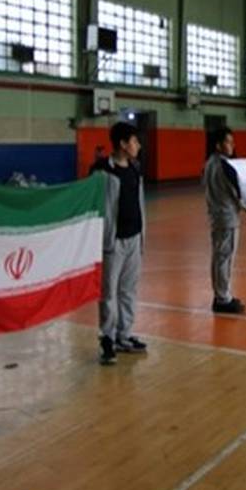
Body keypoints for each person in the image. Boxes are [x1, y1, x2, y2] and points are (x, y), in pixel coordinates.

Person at [92, 121, 147, 366]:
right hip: (112, 242)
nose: (138, 145)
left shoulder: (135, 168)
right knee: (108, 293)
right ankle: (107, 338)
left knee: (128, 290)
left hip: (134, 238)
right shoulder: (101, 171)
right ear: (123, 144)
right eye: (135, 141)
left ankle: (124, 335)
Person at [202, 127, 246, 313]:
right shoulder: (226, 166)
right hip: (227, 218)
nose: (232, 145)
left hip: (215, 216)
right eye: (228, 142)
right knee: (225, 258)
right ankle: (223, 298)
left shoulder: (208, 164)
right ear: (218, 145)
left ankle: (220, 295)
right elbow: (238, 194)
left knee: (218, 257)